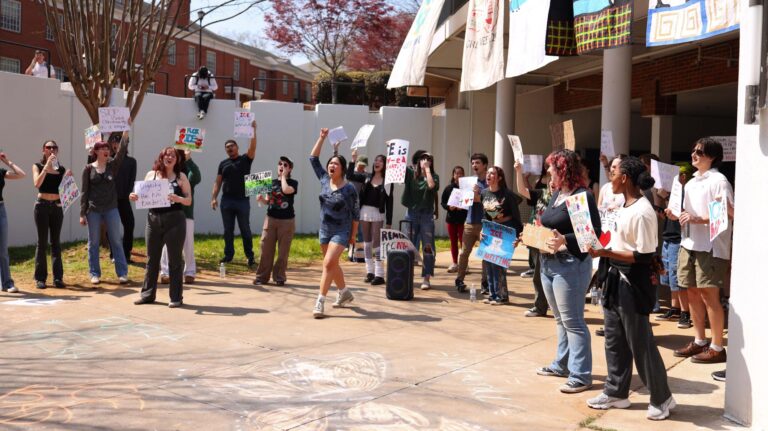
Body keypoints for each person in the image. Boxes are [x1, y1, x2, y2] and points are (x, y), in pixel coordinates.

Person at [585, 156, 675, 421]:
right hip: (613, 279)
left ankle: (662, 398)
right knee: (615, 340)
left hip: (633, 283)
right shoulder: (622, 206)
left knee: (641, 343)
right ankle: (616, 392)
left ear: (624, 178)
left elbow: (643, 255)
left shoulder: (643, 211)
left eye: (613, 173)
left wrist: (605, 251)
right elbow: (614, 239)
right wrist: (596, 245)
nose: (609, 178)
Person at [536, 149, 601, 394]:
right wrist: (533, 235)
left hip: (571, 265)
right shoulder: (557, 194)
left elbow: (592, 235)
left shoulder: (581, 196)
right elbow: (550, 225)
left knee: (573, 322)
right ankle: (561, 364)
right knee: (561, 319)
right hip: (549, 264)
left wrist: (565, 239)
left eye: (551, 168)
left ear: (563, 169)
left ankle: (581, 375)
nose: (548, 172)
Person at [668, 138, 734, 364]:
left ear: (712, 156)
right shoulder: (691, 182)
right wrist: (675, 213)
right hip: (689, 243)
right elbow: (685, 212)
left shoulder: (719, 181)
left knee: (709, 295)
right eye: (693, 150)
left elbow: (723, 214)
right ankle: (699, 340)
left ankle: (717, 346)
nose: (694, 154)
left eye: (700, 152)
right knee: (691, 292)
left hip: (711, 245)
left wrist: (697, 219)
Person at [131, 147, 192, 308]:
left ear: (177, 160)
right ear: (161, 158)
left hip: (175, 221)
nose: (169, 157)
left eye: (173, 155)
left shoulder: (181, 177)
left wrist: (178, 198)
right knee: (152, 259)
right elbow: (141, 195)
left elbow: (188, 200)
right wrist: (134, 196)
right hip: (153, 220)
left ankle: (176, 297)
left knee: (175, 260)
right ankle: (147, 295)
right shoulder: (151, 175)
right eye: (166, 155)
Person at [309, 128, 359, 318]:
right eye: (330, 163)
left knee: (328, 263)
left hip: (342, 230)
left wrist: (353, 235)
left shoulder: (350, 189)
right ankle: (344, 293)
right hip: (325, 229)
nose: (331, 165)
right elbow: (313, 159)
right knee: (331, 264)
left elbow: (356, 213)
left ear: (342, 169)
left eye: (335, 164)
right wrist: (321, 138)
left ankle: (320, 301)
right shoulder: (323, 179)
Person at [80, 129, 131, 285]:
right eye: (102, 148)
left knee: (116, 240)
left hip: (111, 208)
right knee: (93, 242)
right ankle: (94, 273)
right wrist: (82, 214)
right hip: (93, 209)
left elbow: (121, 153)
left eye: (107, 148)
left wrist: (125, 134)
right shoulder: (88, 169)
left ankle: (122, 273)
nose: (106, 150)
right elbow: (84, 192)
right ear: (96, 151)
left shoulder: (112, 166)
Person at [211, 121, 257, 267]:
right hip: (226, 200)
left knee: (245, 229)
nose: (230, 148)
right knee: (228, 230)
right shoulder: (222, 164)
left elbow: (253, 147)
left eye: (232, 146)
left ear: (237, 147)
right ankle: (228, 255)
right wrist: (213, 197)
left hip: (242, 200)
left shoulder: (245, 159)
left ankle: (250, 256)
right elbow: (217, 182)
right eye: (227, 147)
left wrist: (253, 130)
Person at [655, 162, 694, 329]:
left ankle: (685, 313)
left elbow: (683, 216)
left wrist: (667, 199)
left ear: (683, 176)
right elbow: (670, 216)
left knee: (678, 278)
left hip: (679, 239)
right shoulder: (674, 194)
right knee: (670, 276)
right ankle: (675, 307)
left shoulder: (687, 193)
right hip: (668, 237)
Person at [348, 149, 393, 285]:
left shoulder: (388, 181)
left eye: (380, 160)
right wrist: (353, 159)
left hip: (377, 213)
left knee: (377, 243)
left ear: (385, 165)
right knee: (367, 242)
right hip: (364, 212)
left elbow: (390, 202)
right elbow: (349, 175)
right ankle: (370, 272)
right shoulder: (366, 177)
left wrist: (389, 222)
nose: (377, 162)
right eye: (376, 160)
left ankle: (380, 274)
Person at [513, 160, 551, 317]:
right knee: (538, 276)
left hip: (555, 242)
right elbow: (522, 190)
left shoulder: (562, 198)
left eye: (556, 179)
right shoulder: (541, 194)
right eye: (550, 179)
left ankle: (555, 306)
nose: (553, 183)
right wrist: (518, 171)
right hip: (539, 239)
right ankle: (540, 306)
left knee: (552, 277)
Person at [32, 140, 72, 289]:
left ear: (57, 150)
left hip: (56, 207)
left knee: (56, 242)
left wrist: (68, 178)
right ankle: (40, 278)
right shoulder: (38, 166)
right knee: (42, 243)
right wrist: (47, 167)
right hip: (41, 206)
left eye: (54, 147)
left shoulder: (61, 169)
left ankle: (58, 278)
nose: (51, 149)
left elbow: (65, 191)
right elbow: (37, 183)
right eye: (48, 147)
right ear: (44, 150)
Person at [253, 156, 298, 286]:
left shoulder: (293, 183)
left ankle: (279, 277)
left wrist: (283, 177)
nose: (281, 166)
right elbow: (268, 201)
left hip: (287, 221)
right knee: (265, 248)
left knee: (283, 251)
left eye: (285, 164)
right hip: (271, 219)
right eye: (279, 164)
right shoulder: (270, 182)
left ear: (290, 168)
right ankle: (261, 277)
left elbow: (285, 190)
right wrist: (261, 199)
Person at [480, 166, 522, 304]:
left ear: (499, 178)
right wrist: (483, 230)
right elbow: (486, 215)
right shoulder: (484, 193)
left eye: (492, 173)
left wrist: (517, 236)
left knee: (499, 264)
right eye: (488, 173)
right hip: (492, 228)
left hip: (507, 228)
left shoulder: (507, 195)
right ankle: (492, 294)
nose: (489, 175)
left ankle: (502, 296)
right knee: (489, 262)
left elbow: (516, 216)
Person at [160, 150, 201, 284]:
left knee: (188, 243)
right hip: (168, 214)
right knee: (167, 243)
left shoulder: (185, 173)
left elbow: (196, 177)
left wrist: (189, 159)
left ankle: (189, 272)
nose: (172, 158)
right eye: (170, 156)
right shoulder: (164, 173)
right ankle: (165, 272)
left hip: (186, 213)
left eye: (176, 156)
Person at [401, 151, 439, 290]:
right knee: (408, 246)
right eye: (423, 158)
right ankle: (407, 275)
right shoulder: (411, 174)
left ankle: (426, 277)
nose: (425, 160)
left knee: (428, 247)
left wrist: (427, 170)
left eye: (429, 158)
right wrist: (393, 148)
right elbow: (398, 167)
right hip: (411, 213)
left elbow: (431, 186)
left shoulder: (434, 176)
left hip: (427, 216)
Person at [455, 153, 488, 293]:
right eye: (473, 163)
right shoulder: (469, 182)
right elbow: (463, 201)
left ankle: (485, 283)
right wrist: (457, 201)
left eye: (478, 163)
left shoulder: (489, 181)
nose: (474, 165)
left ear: (485, 165)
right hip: (469, 223)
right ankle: (459, 280)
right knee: (463, 253)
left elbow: (486, 200)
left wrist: (476, 195)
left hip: (484, 224)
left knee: (485, 255)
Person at [0, 152, 26, 293]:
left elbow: (21, 174)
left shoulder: (1, 172)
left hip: (1, 209)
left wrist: (7, 161)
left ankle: (7, 283)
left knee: (3, 250)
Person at [111, 133, 137, 263]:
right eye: (114, 142)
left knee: (129, 224)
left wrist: (127, 194)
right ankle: (113, 254)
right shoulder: (109, 161)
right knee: (113, 226)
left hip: (124, 199)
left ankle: (126, 253)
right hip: (111, 200)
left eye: (119, 142)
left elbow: (132, 180)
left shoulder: (132, 161)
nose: (116, 144)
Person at [441, 166, 468, 273]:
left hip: (463, 219)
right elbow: (443, 202)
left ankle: (464, 264)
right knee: (453, 241)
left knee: (464, 242)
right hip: (451, 219)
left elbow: (469, 203)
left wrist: (464, 205)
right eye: (457, 173)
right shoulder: (448, 188)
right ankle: (454, 263)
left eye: (461, 173)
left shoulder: (467, 188)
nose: (459, 175)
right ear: (453, 175)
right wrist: (449, 207)